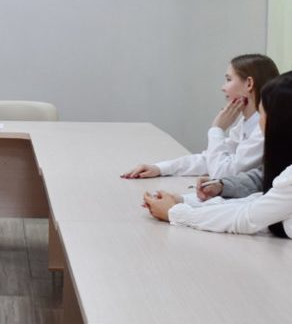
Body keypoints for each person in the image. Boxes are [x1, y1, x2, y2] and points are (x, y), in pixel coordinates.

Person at [143, 71, 292, 238]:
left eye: (228, 79)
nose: (223, 87)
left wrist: (175, 212)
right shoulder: (244, 125)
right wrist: (187, 201)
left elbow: (248, 216)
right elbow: (260, 198)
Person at [122, 54, 279, 180]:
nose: (223, 87)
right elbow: (210, 159)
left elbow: (222, 173)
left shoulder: (262, 129)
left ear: (249, 84)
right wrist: (160, 168)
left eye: (228, 80)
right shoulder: (247, 122)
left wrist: (217, 129)